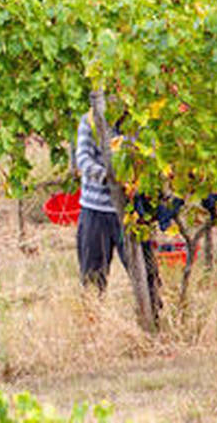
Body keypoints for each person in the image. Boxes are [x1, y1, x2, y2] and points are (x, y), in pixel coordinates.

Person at [75, 110, 160, 307]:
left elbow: (152, 156)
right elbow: (83, 159)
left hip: (132, 212)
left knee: (147, 277)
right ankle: (92, 330)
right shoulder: (90, 121)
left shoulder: (141, 121)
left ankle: (153, 325)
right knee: (92, 278)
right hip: (95, 211)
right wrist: (110, 178)